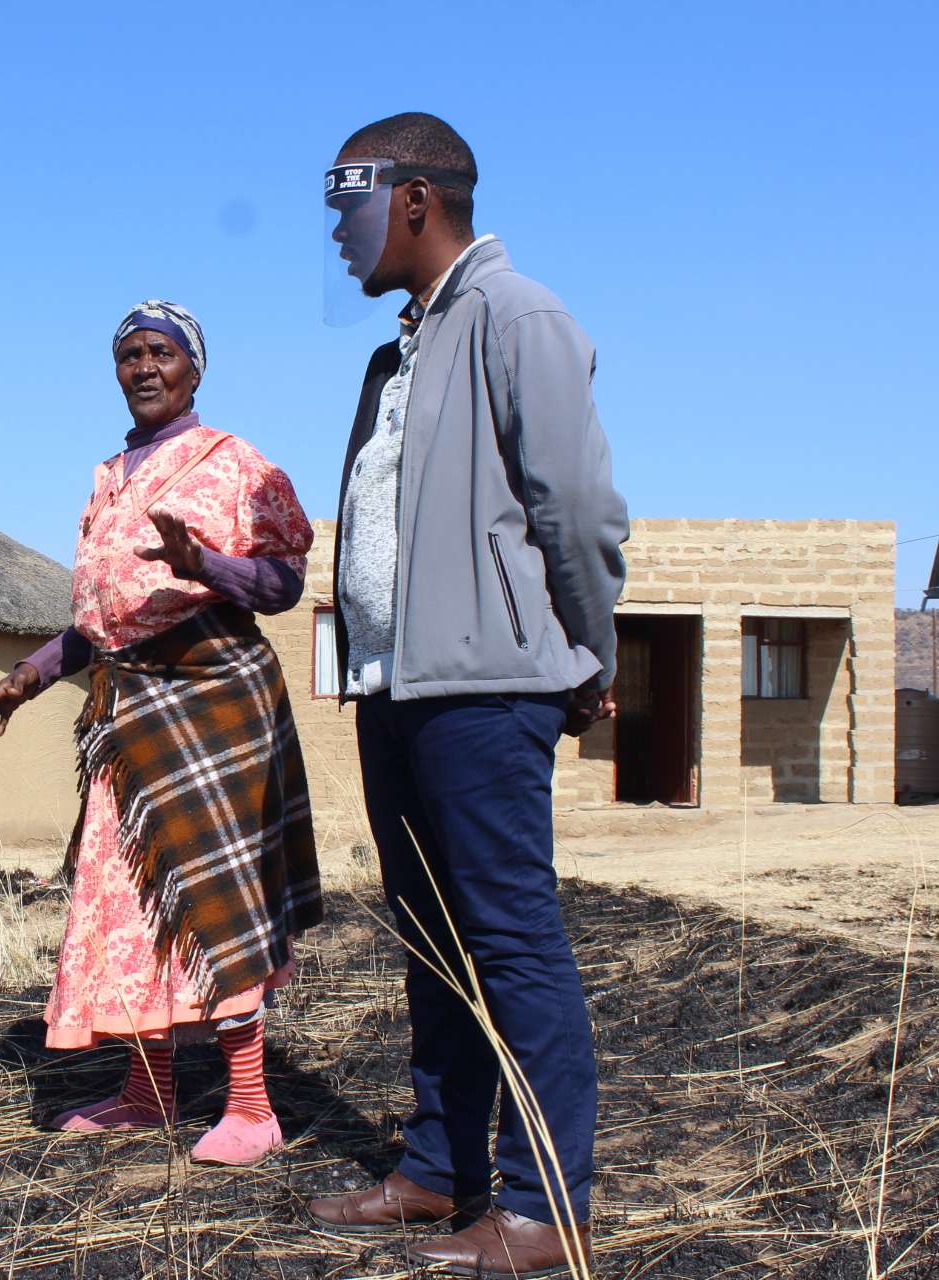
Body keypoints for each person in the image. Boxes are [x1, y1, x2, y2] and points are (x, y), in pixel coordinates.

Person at [300, 114, 628, 1277]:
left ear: (416, 200)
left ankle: (547, 1205)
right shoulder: (398, 352)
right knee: (431, 939)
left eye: (349, 208)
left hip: (486, 687)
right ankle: (441, 1167)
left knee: (512, 942)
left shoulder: (515, 315)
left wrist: (589, 648)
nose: (337, 235)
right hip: (400, 685)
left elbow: (577, 505)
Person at [0, 300, 323, 1167]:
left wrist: (208, 565)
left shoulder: (231, 463)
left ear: (194, 369)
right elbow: (103, 619)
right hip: (125, 712)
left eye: (161, 353)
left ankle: (251, 1107)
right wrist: (33, 672)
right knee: (126, 900)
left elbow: (282, 585)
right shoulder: (109, 476)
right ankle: (149, 1090)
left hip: (210, 698)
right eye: (128, 355)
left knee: (215, 895)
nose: (143, 367)